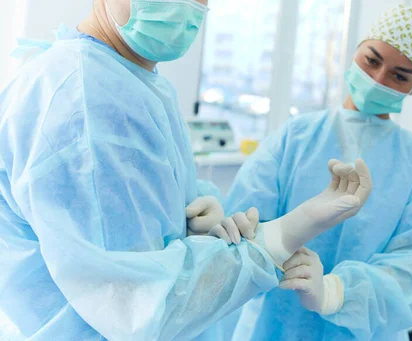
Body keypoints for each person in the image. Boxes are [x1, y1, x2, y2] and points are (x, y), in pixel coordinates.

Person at [0, 0, 374, 340]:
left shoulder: (133, 82)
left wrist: (193, 222)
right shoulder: (85, 98)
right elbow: (136, 305)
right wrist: (282, 235)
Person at [225, 4, 412, 341]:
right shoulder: (296, 137)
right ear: (355, 53)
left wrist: (336, 292)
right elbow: (244, 226)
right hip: (277, 326)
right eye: (372, 60)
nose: (378, 79)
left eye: (399, 75)